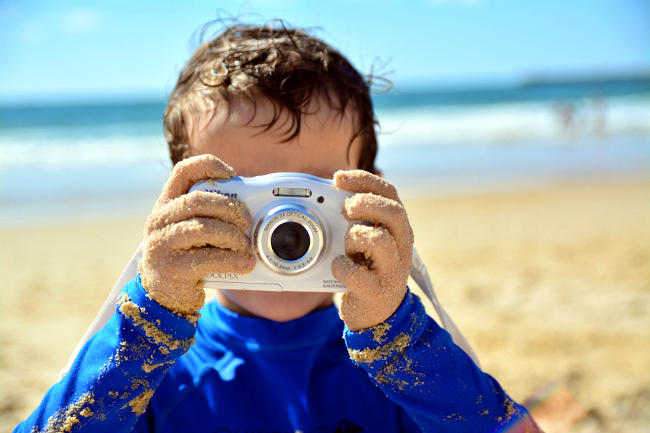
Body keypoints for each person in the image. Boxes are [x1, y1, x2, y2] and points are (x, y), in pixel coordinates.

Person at [15, 22, 542, 433]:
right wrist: (146, 327)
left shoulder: (399, 369)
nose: (285, 229)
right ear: (179, 202)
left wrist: (399, 339)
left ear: (368, 194)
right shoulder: (152, 371)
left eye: (310, 196)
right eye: (246, 196)